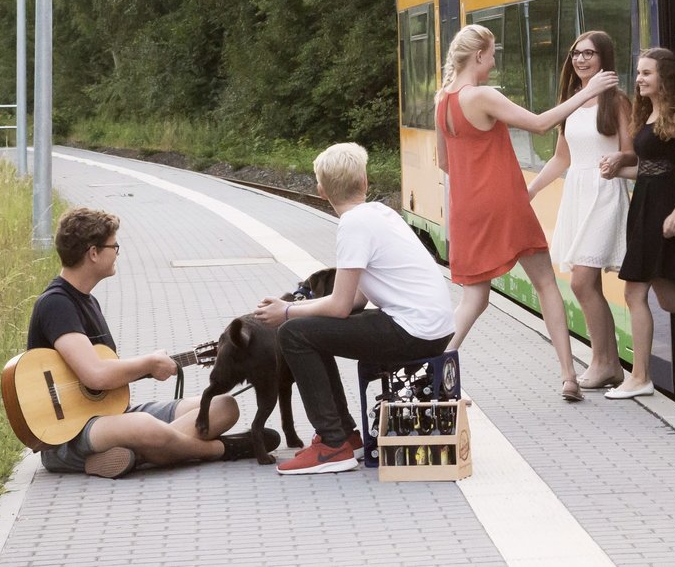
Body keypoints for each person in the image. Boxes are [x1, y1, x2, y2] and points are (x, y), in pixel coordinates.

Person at [434, 24, 619, 402]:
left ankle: (434, 369)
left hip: (466, 208)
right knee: (546, 283)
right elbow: (539, 124)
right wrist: (589, 91)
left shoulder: (443, 101)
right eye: (493, 52)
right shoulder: (482, 95)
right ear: (480, 55)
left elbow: (444, 162)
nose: (495, 59)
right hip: (504, 202)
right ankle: (569, 376)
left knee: (474, 299)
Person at [27, 207, 278, 479]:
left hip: (107, 414)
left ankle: (134, 455)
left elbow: (98, 374)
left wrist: (149, 366)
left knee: (224, 405)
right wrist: (148, 362)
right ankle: (220, 449)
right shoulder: (57, 303)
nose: (117, 253)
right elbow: (95, 375)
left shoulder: (88, 301)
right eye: (115, 246)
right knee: (145, 426)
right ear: (94, 253)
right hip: (68, 434)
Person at [255, 142, 458, 475]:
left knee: (293, 333)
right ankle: (345, 435)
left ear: (321, 191)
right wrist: (304, 313)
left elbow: (339, 306)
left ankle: (332, 445)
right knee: (309, 331)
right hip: (432, 327)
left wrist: (287, 311)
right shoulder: (379, 213)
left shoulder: (353, 225)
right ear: (365, 181)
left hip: (414, 332)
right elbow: (355, 301)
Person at [597, 49, 675, 399]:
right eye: (638, 73)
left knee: (634, 292)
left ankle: (640, 377)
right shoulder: (647, 114)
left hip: (665, 210)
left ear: (664, 77)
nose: (639, 79)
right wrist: (616, 171)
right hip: (645, 207)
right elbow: (649, 169)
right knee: (670, 300)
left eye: (647, 73)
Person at [526, 30, 633, 391]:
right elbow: (561, 158)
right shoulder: (572, 102)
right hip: (577, 192)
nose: (581, 59)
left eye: (589, 53)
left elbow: (632, 152)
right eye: (576, 53)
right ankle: (610, 364)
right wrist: (531, 190)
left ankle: (605, 363)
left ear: (604, 59)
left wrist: (618, 159)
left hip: (605, 191)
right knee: (588, 282)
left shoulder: (617, 102)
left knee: (582, 280)